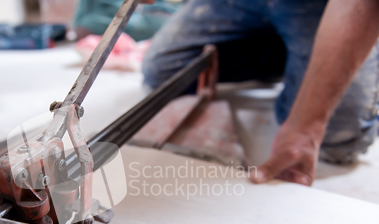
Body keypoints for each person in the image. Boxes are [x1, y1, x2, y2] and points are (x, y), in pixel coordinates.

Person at [142, 0, 379, 186]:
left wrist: (307, 125)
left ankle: (328, 49)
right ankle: (290, 53)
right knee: (164, 73)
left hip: (327, 6)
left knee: (337, 134)